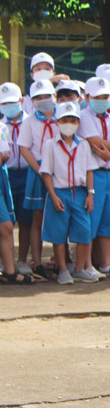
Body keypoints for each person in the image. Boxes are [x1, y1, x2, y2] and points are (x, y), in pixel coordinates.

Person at [40, 101, 98, 284]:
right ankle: (63, 269)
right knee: (59, 233)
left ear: (78, 123)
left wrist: (90, 193)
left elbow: (89, 170)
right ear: (57, 122)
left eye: (73, 120)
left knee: (84, 231)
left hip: (79, 193)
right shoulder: (50, 145)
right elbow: (46, 173)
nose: (69, 123)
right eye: (65, 119)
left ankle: (79, 268)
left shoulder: (83, 145)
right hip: (59, 191)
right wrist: (53, 195)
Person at [79, 76, 110, 278]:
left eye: (105, 96)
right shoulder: (84, 117)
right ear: (87, 96)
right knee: (91, 218)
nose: (102, 100)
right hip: (94, 173)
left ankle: (106, 263)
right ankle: (87, 264)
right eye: (97, 96)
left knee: (109, 218)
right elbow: (94, 141)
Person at [18, 79, 57, 277]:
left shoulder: (64, 119)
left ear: (54, 97)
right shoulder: (29, 121)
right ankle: (37, 260)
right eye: (38, 98)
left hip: (59, 172)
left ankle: (60, 259)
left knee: (60, 215)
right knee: (37, 218)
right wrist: (40, 169)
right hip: (38, 171)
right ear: (31, 101)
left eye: (47, 96)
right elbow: (24, 148)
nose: (43, 101)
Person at [0, 82, 34, 275]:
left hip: (28, 173)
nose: (8, 107)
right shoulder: (1, 125)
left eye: (12, 102)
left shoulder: (30, 122)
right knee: (6, 221)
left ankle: (22, 260)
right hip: (7, 174)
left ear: (21, 101)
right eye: (3, 103)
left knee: (26, 219)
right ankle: (6, 262)